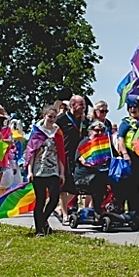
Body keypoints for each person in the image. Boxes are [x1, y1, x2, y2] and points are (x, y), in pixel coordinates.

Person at [25, 105, 66, 237]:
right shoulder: (37, 133)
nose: (52, 119)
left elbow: (60, 154)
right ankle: (39, 230)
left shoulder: (57, 133)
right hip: (39, 171)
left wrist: (62, 172)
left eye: (54, 117)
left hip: (53, 170)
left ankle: (42, 220)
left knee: (54, 198)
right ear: (44, 116)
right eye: (49, 117)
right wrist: (30, 171)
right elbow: (31, 153)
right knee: (40, 200)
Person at [55, 95, 88, 224]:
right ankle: (64, 214)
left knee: (77, 187)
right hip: (64, 156)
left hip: (78, 157)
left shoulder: (84, 121)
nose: (83, 108)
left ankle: (59, 208)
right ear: (73, 105)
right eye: (81, 105)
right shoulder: (61, 119)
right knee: (64, 186)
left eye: (84, 106)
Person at [73, 121, 111, 215]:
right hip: (85, 175)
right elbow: (81, 159)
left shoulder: (104, 144)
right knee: (98, 182)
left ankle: (106, 208)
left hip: (99, 174)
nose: (99, 133)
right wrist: (91, 164)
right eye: (97, 130)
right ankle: (97, 210)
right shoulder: (85, 142)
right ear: (91, 131)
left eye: (102, 131)